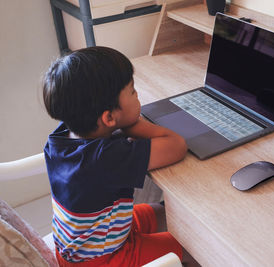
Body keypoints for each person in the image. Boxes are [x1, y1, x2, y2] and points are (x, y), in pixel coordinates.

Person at [42, 46, 187, 266]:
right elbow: (177, 146)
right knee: (193, 248)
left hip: (85, 241)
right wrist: (131, 125)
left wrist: (122, 121)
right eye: (132, 91)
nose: (137, 94)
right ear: (108, 117)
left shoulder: (62, 136)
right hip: (104, 259)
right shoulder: (105, 159)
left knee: (166, 213)